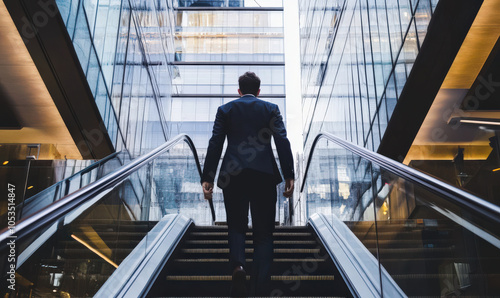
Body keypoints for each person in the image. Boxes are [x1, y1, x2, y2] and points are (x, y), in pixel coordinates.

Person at [201, 71, 295, 297]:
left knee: (236, 225)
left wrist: (208, 177)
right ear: (259, 91)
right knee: (264, 233)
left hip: (234, 176)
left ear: (239, 90)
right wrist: (289, 174)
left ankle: (239, 267)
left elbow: (216, 143)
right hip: (264, 175)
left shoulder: (225, 110)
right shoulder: (271, 109)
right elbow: (282, 140)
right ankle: (260, 286)